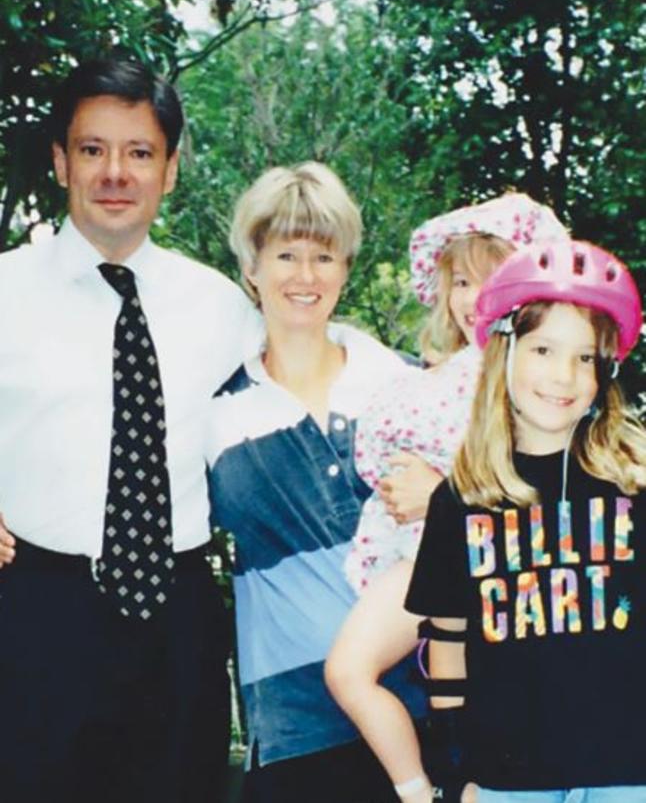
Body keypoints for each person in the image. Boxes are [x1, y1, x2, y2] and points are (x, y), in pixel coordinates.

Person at [0, 57, 259, 803]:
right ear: (59, 162)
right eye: (92, 149)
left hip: (179, 620)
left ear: (170, 170)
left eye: (139, 152)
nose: (115, 172)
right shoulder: (6, 293)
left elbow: (311, 379)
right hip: (34, 613)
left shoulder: (221, 308)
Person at [325, 194, 569, 803]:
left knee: (490, 706)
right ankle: (419, 793)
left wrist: (441, 497)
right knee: (349, 670)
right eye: (461, 280)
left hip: (512, 582)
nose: (472, 298)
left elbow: (553, 506)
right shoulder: (441, 376)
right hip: (425, 560)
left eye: (492, 279)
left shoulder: (549, 380)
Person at [206, 161, 427, 803]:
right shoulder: (212, 411)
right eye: (286, 255)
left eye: (324, 256)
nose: (305, 276)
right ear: (252, 268)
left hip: (422, 710)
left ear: (346, 268)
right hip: (293, 730)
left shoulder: (408, 384)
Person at [405, 240, 646, 801]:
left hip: (627, 771)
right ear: (503, 352)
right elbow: (446, 637)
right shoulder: (460, 499)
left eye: (584, 357)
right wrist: (454, 769)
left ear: (604, 370)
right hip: (507, 779)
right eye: (543, 350)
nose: (563, 376)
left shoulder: (633, 485)